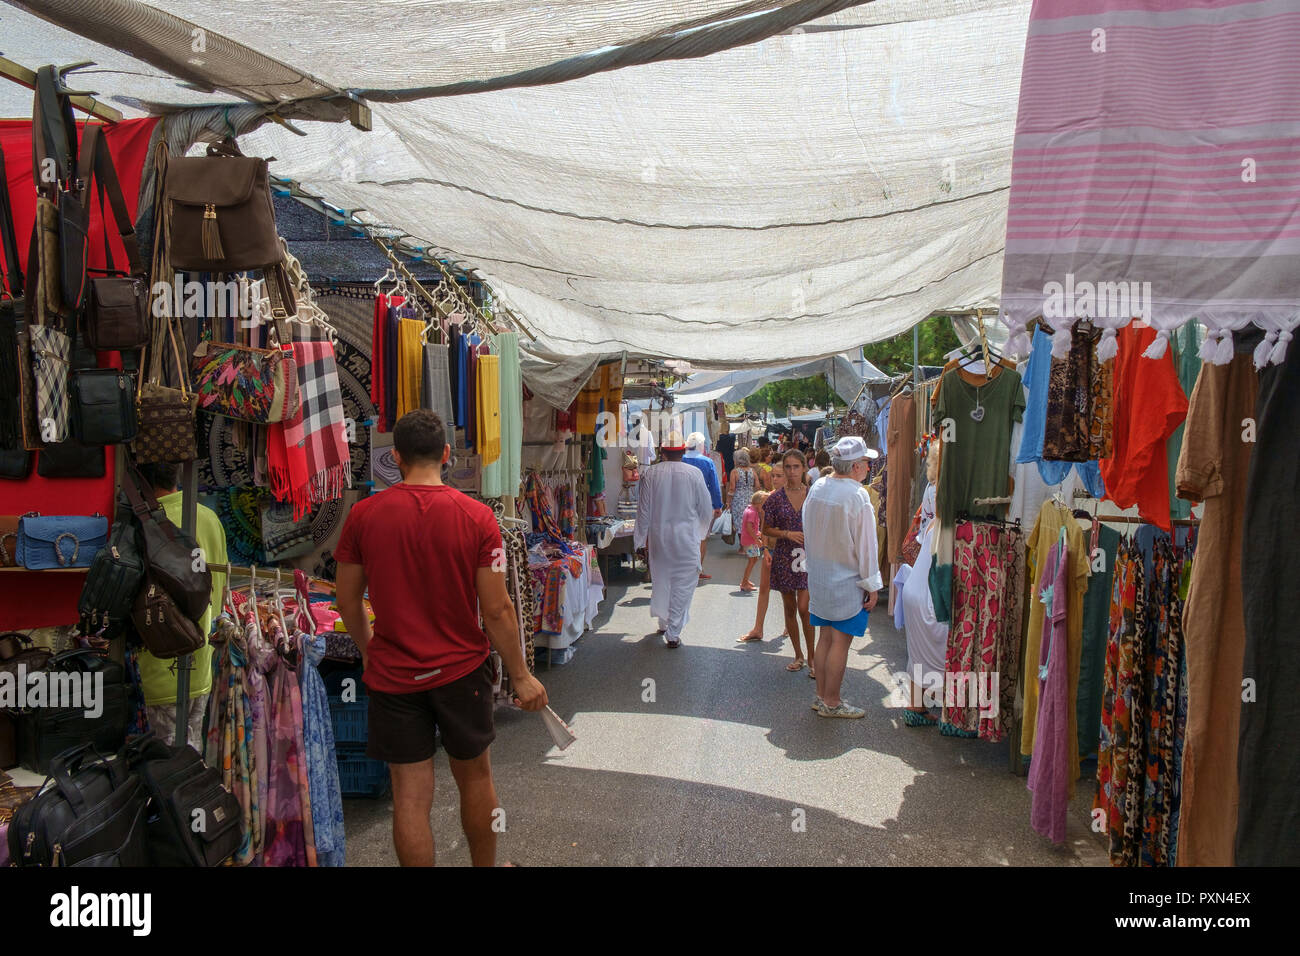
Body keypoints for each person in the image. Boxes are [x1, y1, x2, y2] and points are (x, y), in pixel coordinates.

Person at [334, 409, 548, 867]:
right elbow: (496, 608)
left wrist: (371, 653)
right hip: (462, 671)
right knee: (475, 779)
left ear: (396, 457)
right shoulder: (477, 517)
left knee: (409, 796)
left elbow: (347, 600)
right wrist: (521, 674)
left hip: (394, 675)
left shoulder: (363, 515)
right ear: (447, 455)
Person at [136, 461, 228, 747]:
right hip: (200, 663)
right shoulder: (209, 518)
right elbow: (220, 591)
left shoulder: (144, 523)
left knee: (166, 765)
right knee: (189, 758)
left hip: (160, 663)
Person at [803, 437, 883, 718]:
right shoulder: (857, 495)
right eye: (867, 463)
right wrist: (872, 585)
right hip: (846, 579)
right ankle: (832, 701)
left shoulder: (818, 486)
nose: (869, 467)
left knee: (826, 637)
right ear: (857, 466)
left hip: (821, 577)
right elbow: (867, 545)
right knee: (840, 641)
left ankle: (822, 696)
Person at [634, 430, 714, 648]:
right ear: (683, 451)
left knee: (662, 579)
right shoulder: (694, 473)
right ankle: (673, 632)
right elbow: (706, 509)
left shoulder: (650, 474)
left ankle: (664, 621)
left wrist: (640, 541)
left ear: (663, 452)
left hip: (659, 537)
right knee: (683, 583)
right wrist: (700, 533)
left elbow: (643, 510)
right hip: (686, 537)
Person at [899, 442, 944, 727]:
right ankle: (951, 715)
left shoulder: (931, 490)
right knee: (943, 641)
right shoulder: (948, 496)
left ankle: (915, 707)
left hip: (918, 579)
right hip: (931, 582)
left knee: (920, 649)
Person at [763, 449, 817, 675]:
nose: (792, 471)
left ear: (804, 468)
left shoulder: (814, 494)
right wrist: (786, 534)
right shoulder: (775, 498)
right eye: (788, 467)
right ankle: (798, 655)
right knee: (790, 607)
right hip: (785, 556)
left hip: (808, 557)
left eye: (796, 467)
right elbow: (765, 529)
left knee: (805, 608)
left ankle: (813, 659)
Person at [682, 431, 723, 578]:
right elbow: (714, 485)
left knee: (684, 536)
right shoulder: (707, 462)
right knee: (701, 538)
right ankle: (697, 570)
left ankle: (685, 569)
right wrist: (718, 506)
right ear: (700, 445)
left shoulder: (681, 460)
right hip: (703, 504)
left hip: (682, 503)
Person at [725, 447, 759, 554]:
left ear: (737, 460)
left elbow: (731, 488)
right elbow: (757, 486)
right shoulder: (752, 471)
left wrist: (728, 502)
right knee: (750, 522)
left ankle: (742, 547)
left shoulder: (734, 472)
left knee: (740, 523)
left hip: (738, 500)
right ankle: (751, 547)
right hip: (751, 498)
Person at [739, 490, 768, 591]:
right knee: (752, 560)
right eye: (764, 504)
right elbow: (749, 527)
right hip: (750, 541)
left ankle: (745, 580)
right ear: (758, 503)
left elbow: (750, 527)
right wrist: (757, 539)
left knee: (754, 559)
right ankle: (744, 582)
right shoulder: (752, 512)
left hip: (749, 540)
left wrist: (757, 533)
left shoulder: (750, 509)